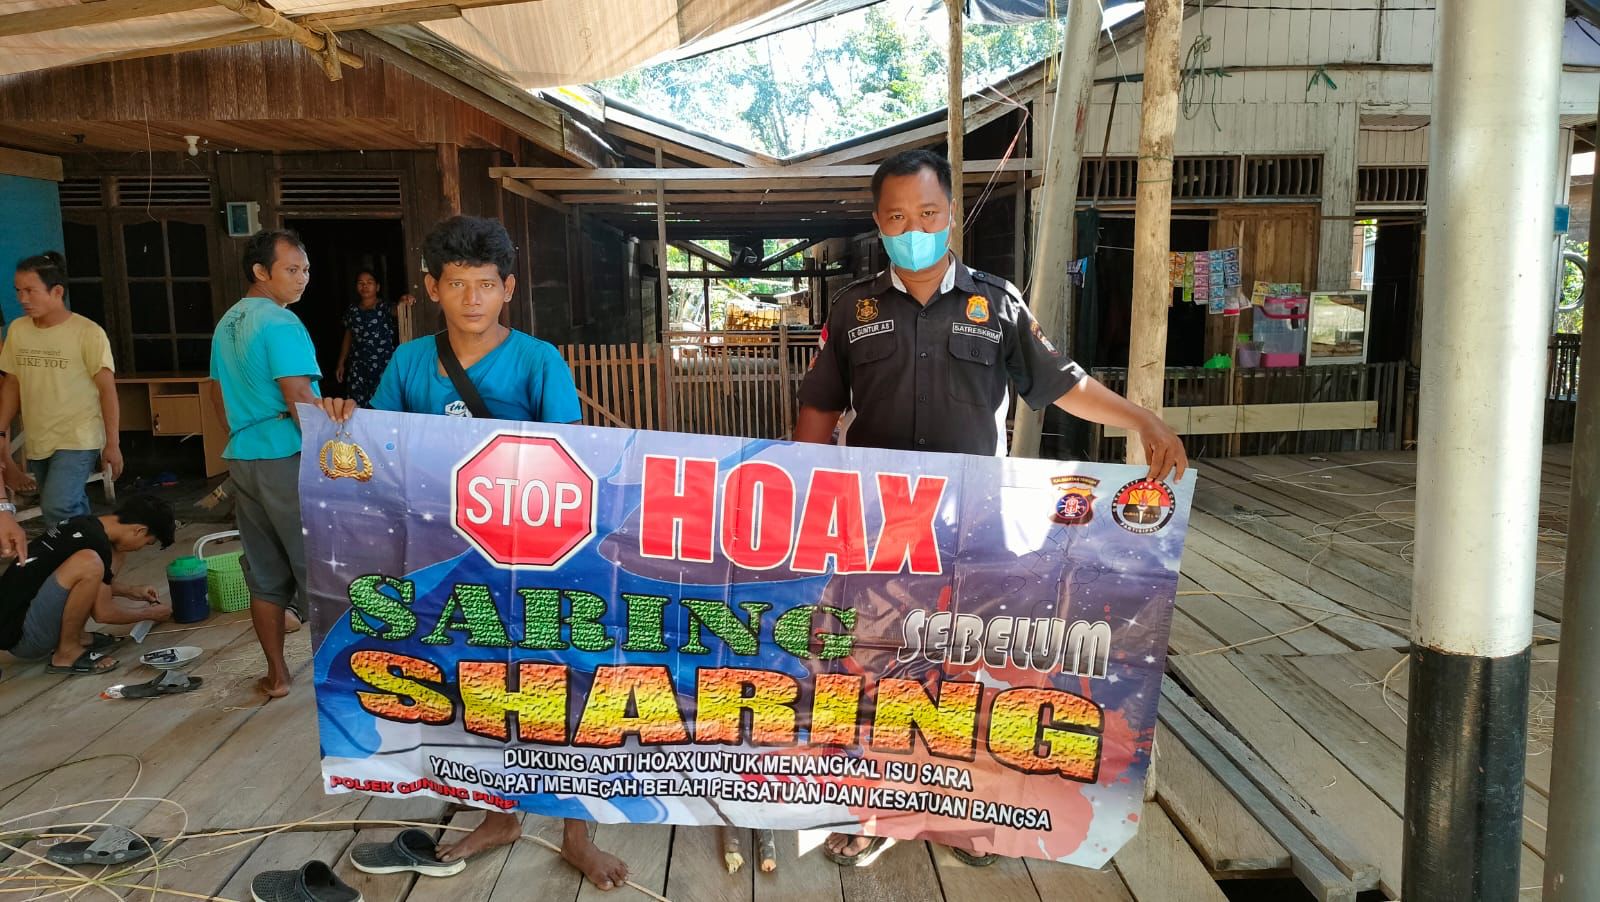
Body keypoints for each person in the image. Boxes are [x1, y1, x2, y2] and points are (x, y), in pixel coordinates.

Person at [794, 149, 1188, 869]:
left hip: (977, 532)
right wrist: (806, 490)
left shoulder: (996, 303)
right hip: (883, 528)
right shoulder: (853, 308)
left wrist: (1142, 419)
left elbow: (1061, 383)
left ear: (951, 214)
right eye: (897, 217)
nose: (914, 229)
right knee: (877, 664)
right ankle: (876, 810)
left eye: (928, 214)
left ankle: (963, 813)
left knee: (966, 667)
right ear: (878, 223)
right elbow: (820, 406)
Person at [318, 216, 622, 890]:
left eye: (486, 284)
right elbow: (381, 447)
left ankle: (577, 833)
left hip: (539, 556)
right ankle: (498, 815)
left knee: (561, 683)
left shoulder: (538, 361)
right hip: (448, 556)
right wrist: (343, 420)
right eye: (457, 284)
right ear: (432, 288)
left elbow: (571, 457)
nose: (472, 298)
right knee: (476, 684)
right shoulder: (409, 364)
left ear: (508, 288)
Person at [211, 230, 321, 699]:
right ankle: (343, 679)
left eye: (305, 270)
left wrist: (244, 434)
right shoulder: (281, 323)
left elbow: (216, 396)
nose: (302, 279)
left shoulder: (227, 323)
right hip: (287, 455)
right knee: (319, 569)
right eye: (291, 270)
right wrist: (327, 457)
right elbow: (299, 396)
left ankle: (277, 675)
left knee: (263, 572)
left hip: (243, 456)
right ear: (260, 271)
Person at [0, 252, 121, 525]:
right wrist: (0, 429)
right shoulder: (18, 331)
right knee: (67, 509)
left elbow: (107, 390)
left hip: (78, 438)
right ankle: (91, 548)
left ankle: (72, 550)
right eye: (18, 291)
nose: (22, 299)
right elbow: (12, 383)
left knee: (58, 506)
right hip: (39, 438)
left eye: (30, 291)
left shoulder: (88, 332)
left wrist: (112, 443)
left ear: (56, 292)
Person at [0, 495, 175, 673]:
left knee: (109, 555)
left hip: (19, 619)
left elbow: (70, 581)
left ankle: (78, 637)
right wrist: (150, 613)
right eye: (147, 543)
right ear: (139, 530)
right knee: (89, 562)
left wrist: (131, 591)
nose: (139, 548)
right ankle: (67, 653)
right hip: (25, 637)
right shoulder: (95, 544)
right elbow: (104, 613)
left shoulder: (84, 524)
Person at [334, 271, 411, 408]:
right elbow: (348, 336)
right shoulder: (352, 310)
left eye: (369, 282)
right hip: (358, 366)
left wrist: (403, 300)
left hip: (383, 364)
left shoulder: (385, 307)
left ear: (377, 287)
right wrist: (341, 363)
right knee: (357, 406)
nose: (365, 286)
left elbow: (398, 309)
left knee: (383, 404)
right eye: (361, 283)